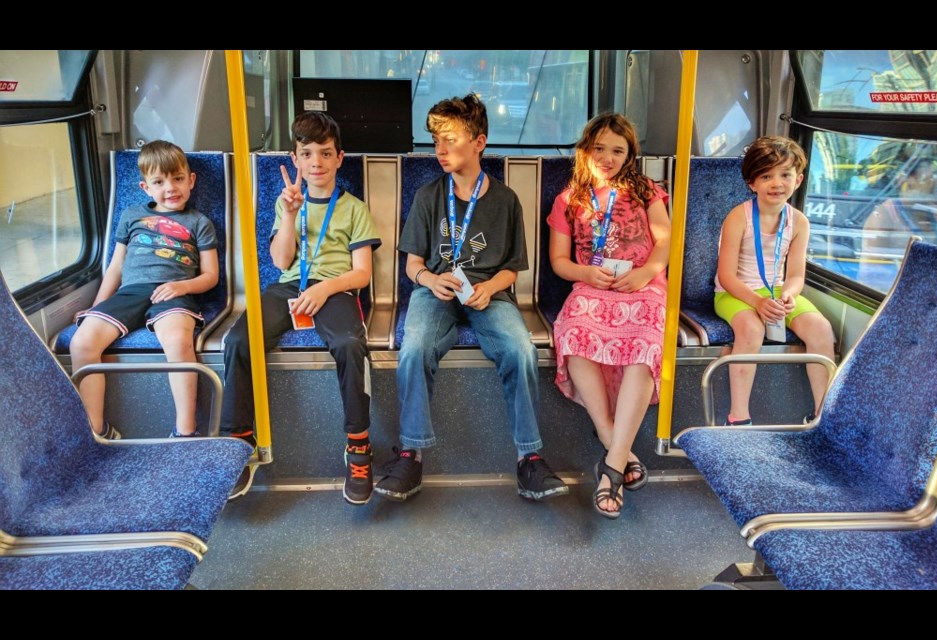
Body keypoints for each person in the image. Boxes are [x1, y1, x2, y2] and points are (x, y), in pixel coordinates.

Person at [375, 94, 568, 503]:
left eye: (450, 140)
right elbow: (411, 264)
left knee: (519, 349)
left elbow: (512, 268)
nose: (439, 150)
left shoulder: (505, 201)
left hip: (488, 293)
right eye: (435, 141)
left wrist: (489, 288)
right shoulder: (430, 196)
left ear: (479, 142)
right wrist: (429, 277)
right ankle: (411, 453)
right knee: (415, 348)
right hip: (436, 288)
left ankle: (529, 458)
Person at [221, 112, 381, 505]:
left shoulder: (354, 209)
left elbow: (361, 274)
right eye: (306, 154)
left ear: (340, 158)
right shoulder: (286, 204)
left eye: (325, 154)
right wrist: (290, 216)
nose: (316, 163)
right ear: (295, 160)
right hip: (289, 286)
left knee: (349, 344)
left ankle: (358, 447)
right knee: (240, 339)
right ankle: (238, 440)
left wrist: (326, 288)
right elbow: (279, 261)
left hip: (336, 288)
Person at [547, 114, 670, 519]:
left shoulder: (647, 191)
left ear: (630, 155)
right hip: (592, 285)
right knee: (572, 330)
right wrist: (586, 273)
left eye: (618, 150)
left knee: (646, 342)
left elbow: (664, 243)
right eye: (599, 148)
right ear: (585, 150)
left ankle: (612, 467)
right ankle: (611, 438)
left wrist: (645, 274)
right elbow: (560, 262)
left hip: (642, 286)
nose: (607, 157)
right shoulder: (570, 200)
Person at [70, 140, 218, 440]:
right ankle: (96, 432)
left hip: (176, 292)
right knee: (82, 342)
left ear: (191, 180)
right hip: (130, 292)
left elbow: (210, 275)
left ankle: (185, 431)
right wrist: (98, 305)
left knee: (178, 341)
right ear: (145, 187)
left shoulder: (199, 222)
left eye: (177, 179)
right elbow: (115, 267)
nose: (170, 188)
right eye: (159, 182)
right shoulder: (131, 216)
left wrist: (181, 286)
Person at [715, 136, 834, 427]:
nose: (776, 183)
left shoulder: (799, 222)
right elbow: (726, 275)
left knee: (821, 329)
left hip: (777, 291)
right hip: (736, 293)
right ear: (752, 183)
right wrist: (757, 302)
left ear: (798, 180)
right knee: (752, 328)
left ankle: (822, 415)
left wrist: (789, 296)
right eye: (766, 176)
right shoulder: (738, 217)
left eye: (785, 175)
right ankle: (738, 416)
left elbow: (795, 275)